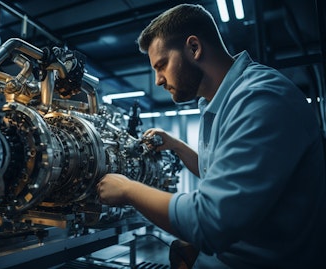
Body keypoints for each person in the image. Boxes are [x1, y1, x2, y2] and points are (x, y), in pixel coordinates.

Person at [96, 3, 326, 268]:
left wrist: (127, 189)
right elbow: (220, 174)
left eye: (161, 65)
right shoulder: (215, 104)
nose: (158, 80)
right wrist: (176, 145)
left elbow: (210, 221)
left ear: (194, 48)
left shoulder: (261, 99)